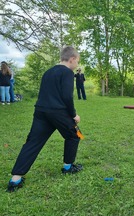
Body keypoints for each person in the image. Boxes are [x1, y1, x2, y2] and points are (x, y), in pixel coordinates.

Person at [7, 46, 83, 192]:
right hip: (58, 112)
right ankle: (68, 167)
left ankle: (15, 179)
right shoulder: (67, 72)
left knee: (33, 141)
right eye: (77, 61)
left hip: (41, 111)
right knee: (74, 135)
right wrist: (74, 115)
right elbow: (67, 97)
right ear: (72, 59)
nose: (77, 65)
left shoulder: (48, 72)